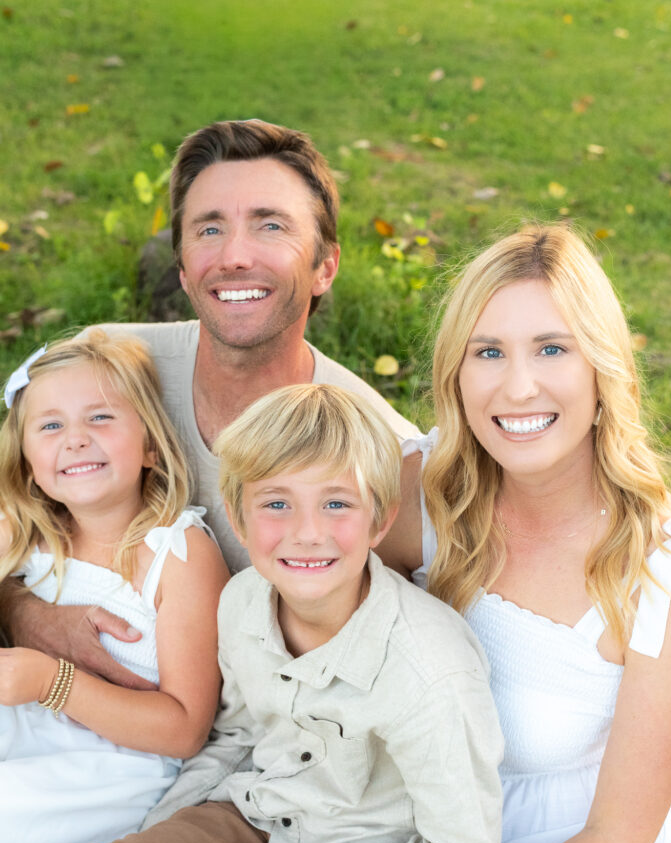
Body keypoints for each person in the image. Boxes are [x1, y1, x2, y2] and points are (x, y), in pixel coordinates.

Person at [2, 383, 504, 843]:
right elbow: (236, 737)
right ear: (237, 519)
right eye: (276, 503)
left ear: (381, 520)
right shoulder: (242, 602)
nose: (306, 533)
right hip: (256, 816)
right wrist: (161, 841)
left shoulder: (429, 670)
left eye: (336, 503)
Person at [289, 224, 671, 843]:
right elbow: (297, 593)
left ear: (602, 366)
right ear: (457, 372)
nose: (518, 389)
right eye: (489, 352)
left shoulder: (658, 571)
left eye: (551, 349)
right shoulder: (426, 494)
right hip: (421, 830)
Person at [0, 118, 417, 691]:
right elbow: (13, 510)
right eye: (209, 229)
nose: (235, 256)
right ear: (181, 268)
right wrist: (28, 616)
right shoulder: (105, 377)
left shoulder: (382, 451)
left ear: (325, 267)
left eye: (270, 226)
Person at [0, 331, 228, 843]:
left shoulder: (176, 552)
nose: (76, 439)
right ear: (30, 462)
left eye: (101, 417)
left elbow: (187, 728)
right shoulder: (26, 537)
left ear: (151, 446)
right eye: (51, 425)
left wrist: (52, 682)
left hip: (113, 773)